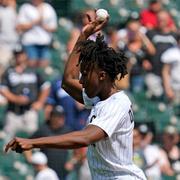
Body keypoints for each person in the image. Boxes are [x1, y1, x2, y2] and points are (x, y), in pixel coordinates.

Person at [5, 13, 146, 180]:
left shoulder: (117, 103)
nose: (82, 80)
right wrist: (83, 35)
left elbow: (86, 137)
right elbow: (68, 81)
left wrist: (34, 142)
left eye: (86, 74)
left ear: (101, 76)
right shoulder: (99, 99)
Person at [0, 45, 50, 140]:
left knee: (33, 139)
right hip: (13, 111)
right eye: (17, 54)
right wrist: (16, 99)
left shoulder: (33, 70)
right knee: (8, 140)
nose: (19, 57)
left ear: (25, 55)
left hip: (29, 111)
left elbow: (46, 86)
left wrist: (40, 102)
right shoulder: (9, 71)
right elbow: (3, 89)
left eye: (21, 54)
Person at [25, 105, 73, 179]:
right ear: (51, 117)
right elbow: (28, 143)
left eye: (61, 116)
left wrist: (72, 161)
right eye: (57, 116)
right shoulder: (44, 129)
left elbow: (79, 148)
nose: (60, 119)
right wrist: (31, 159)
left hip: (63, 171)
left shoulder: (67, 131)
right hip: (45, 171)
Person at [16, 0, 57, 68]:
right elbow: (19, 26)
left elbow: (54, 27)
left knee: (44, 65)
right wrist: (34, 22)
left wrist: (43, 25)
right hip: (29, 42)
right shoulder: (25, 8)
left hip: (44, 43)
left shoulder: (48, 8)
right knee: (31, 64)